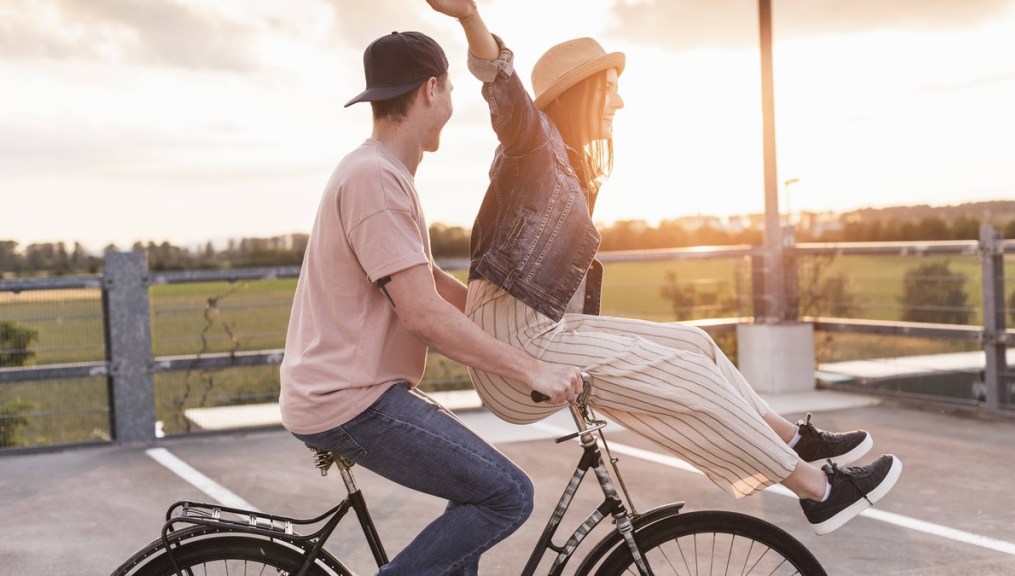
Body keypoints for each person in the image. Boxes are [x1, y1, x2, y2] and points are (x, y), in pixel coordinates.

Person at [427, 0, 901, 536]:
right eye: (610, 87)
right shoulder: (534, 144)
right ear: (577, 93)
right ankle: (819, 491)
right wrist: (469, 16)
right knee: (690, 379)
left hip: (542, 331)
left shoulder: (574, 166)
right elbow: (502, 84)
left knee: (695, 345)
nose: (620, 101)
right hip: (516, 351)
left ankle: (790, 439)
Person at [279, 30, 584, 575]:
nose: (451, 101)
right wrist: (530, 368)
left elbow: (429, 280)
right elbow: (420, 313)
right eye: (449, 88)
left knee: (473, 491)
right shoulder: (375, 179)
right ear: (430, 91)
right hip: (351, 400)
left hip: (352, 391)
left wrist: (507, 331)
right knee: (507, 495)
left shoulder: (379, 170)